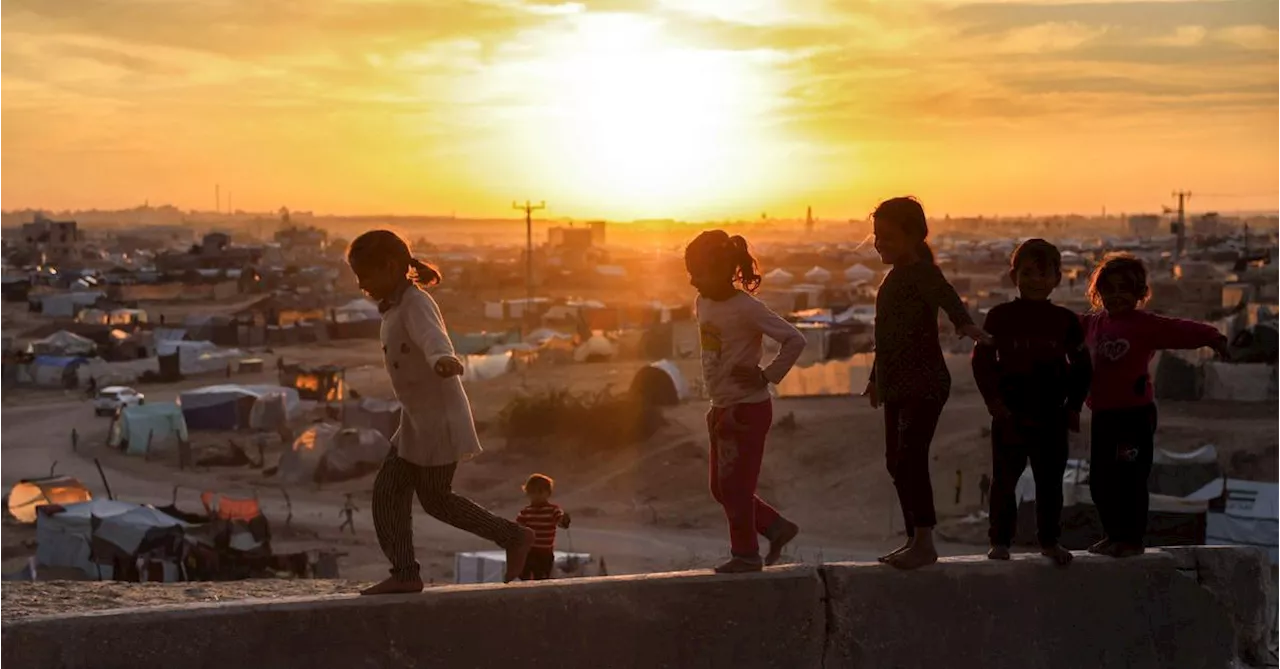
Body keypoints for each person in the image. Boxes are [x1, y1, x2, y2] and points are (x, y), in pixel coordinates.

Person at [347, 230, 535, 595]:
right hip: (418, 419)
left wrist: (443, 360)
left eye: (365, 276)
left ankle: (512, 537)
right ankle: (405, 571)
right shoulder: (397, 305)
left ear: (389, 267)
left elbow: (434, 338)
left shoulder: (416, 303)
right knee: (392, 492)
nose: (361, 285)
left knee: (434, 500)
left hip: (438, 419)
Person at [863, 197, 990, 570]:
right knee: (895, 463)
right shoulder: (892, 279)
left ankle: (924, 541)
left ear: (915, 236)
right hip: (897, 385)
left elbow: (947, 297)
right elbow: (885, 337)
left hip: (925, 382)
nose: (878, 244)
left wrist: (965, 325)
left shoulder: (923, 274)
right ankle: (914, 538)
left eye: (887, 237)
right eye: (876, 237)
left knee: (910, 459)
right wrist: (875, 378)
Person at [1082, 253, 1228, 558]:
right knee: (1100, 480)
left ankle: (1131, 540)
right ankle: (1113, 535)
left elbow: (1181, 329)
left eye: (1125, 289)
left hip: (1133, 418)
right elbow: (1054, 326)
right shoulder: (1092, 324)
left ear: (1139, 294)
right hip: (1104, 417)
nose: (1117, 295)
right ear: (1099, 293)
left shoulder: (1145, 324)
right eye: (1109, 289)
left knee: (1130, 478)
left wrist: (1213, 337)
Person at [686, 230, 806, 574]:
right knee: (720, 489)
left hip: (747, 409)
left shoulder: (747, 308)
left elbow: (794, 340)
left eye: (700, 272)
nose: (694, 281)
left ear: (724, 270)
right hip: (721, 405)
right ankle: (774, 527)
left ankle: (746, 555)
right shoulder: (703, 303)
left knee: (736, 489)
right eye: (690, 272)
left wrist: (767, 376)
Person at [972, 239, 1091, 566]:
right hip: (1010, 414)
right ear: (1014, 277)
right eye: (1028, 273)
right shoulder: (999, 317)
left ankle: (1050, 542)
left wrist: (1073, 406)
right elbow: (981, 361)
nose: (1036, 280)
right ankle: (1000, 542)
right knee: (1004, 482)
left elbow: (1082, 367)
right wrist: (993, 401)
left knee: (1050, 483)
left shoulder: (1065, 321)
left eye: (1044, 274)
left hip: (1051, 415)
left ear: (1058, 278)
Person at [515, 473, 571, 581]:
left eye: (540, 492)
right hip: (529, 552)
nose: (536, 496)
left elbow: (561, 522)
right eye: (532, 493)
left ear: (547, 493)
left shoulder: (553, 510)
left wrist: (564, 520)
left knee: (542, 579)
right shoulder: (525, 512)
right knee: (525, 578)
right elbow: (518, 529)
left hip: (545, 554)